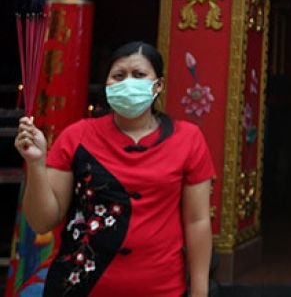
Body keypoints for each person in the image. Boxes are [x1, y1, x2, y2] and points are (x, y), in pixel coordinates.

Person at [15, 42, 215, 296]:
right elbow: (42, 221)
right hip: (79, 286)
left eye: (139, 75)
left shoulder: (188, 139)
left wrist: (200, 290)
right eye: (118, 76)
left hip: (160, 287)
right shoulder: (76, 137)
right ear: (108, 85)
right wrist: (35, 163)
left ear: (158, 86)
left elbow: (197, 221)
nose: (128, 83)